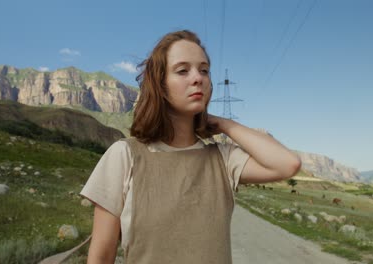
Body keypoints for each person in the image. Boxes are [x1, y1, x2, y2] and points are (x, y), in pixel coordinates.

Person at [80, 30, 301, 264]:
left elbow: (288, 164)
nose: (198, 78)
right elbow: (101, 256)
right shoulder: (125, 155)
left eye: (204, 70)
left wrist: (225, 123)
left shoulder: (223, 159)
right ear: (160, 84)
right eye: (182, 70)